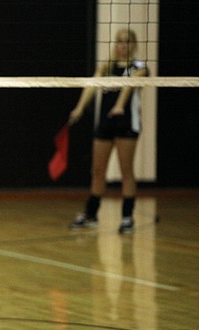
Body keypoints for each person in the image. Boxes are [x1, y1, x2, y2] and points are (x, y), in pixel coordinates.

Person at [67, 28, 149, 234]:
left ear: (134, 45)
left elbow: (130, 85)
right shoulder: (107, 67)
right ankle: (91, 214)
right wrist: (79, 108)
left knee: (126, 171)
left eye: (127, 42)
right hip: (105, 124)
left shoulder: (139, 67)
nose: (123, 46)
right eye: (120, 42)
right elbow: (91, 86)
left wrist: (120, 104)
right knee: (97, 170)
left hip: (127, 124)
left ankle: (127, 217)